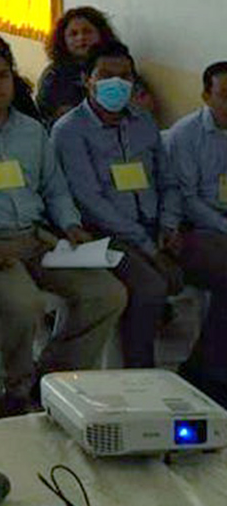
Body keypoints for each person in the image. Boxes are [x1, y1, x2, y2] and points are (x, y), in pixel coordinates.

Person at [0, 42, 126, 417]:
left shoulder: (32, 132)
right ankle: (14, 388)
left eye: (3, 76)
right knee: (24, 304)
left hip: (35, 239)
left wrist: (70, 225)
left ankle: (49, 380)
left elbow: (54, 188)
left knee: (107, 293)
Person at [50, 41, 177, 369]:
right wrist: (146, 245)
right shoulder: (70, 131)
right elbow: (89, 201)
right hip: (102, 233)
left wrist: (169, 225)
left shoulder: (143, 122)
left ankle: (206, 369)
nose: (116, 84)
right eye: (106, 75)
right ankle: (141, 375)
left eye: (125, 77)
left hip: (154, 225)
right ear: (87, 79)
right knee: (150, 286)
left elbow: (168, 181)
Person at [166, 61, 227, 404]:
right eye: (225, 95)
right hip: (195, 230)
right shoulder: (185, 135)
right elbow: (186, 199)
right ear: (206, 96)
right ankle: (207, 371)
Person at [36, 7, 119, 124]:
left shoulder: (117, 66)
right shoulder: (54, 75)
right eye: (73, 34)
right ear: (63, 40)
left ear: (101, 34)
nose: (81, 38)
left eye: (87, 31)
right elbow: (44, 114)